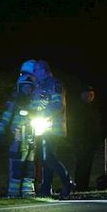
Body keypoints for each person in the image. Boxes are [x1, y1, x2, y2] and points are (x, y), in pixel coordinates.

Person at [30, 60, 74, 199]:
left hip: (53, 127)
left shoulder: (55, 84)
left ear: (43, 70)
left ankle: (68, 182)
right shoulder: (39, 86)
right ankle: (46, 188)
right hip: (42, 127)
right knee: (45, 158)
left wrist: (41, 116)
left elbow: (58, 105)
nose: (34, 73)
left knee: (48, 157)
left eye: (36, 70)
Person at [0, 59, 38, 197]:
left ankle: (28, 192)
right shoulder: (13, 102)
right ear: (20, 87)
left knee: (30, 166)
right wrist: (0, 131)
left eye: (30, 87)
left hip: (31, 138)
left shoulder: (34, 103)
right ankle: (13, 192)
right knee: (16, 166)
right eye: (26, 86)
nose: (28, 89)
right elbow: (5, 117)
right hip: (17, 138)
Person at [69, 85, 102, 190]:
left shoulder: (93, 108)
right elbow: (75, 125)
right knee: (81, 164)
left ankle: (84, 185)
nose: (90, 96)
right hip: (81, 141)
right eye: (88, 94)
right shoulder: (78, 107)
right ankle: (79, 185)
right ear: (82, 95)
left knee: (87, 164)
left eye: (92, 95)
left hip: (91, 141)